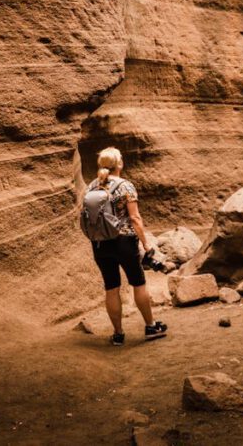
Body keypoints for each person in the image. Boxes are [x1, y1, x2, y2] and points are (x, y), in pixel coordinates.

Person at [86, 146, 167, 346]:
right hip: (124, 242)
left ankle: (118, 334)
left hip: (99, 244)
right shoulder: (125, 186)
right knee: (138, 283)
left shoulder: (91, 187)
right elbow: (135, 218)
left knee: (111, 288)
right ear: (119, 164)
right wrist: (146, 245)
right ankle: (150, 326)